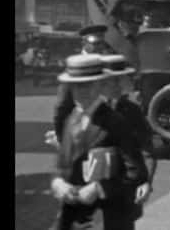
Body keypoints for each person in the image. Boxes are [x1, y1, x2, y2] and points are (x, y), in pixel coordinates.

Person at [50, 54, 143, 230]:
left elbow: (135, 172)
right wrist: (58, 182)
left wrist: (99, 188)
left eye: (87, 85)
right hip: (74, 214)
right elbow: (62, 163)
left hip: (109, 216)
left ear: (100, 84)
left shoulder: (115, 122)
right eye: (75, 86)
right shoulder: (71, 119)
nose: (80, 92)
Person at [100, 54, 156, 223]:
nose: (118, 85)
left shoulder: (132, 111)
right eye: (112, 80)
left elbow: (146, 149)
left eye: (121, 79)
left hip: (125, 190)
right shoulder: (87, 111)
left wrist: (145, 182)